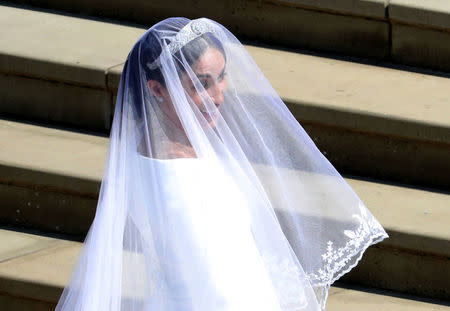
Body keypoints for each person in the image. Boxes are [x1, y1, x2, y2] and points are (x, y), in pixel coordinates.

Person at [55, 17, 388, 311]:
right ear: (157, 89)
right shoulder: (174, 180)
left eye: (221, 76)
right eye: (201, 83)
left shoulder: (188, 148)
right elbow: (215, 284)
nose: (218, 94)